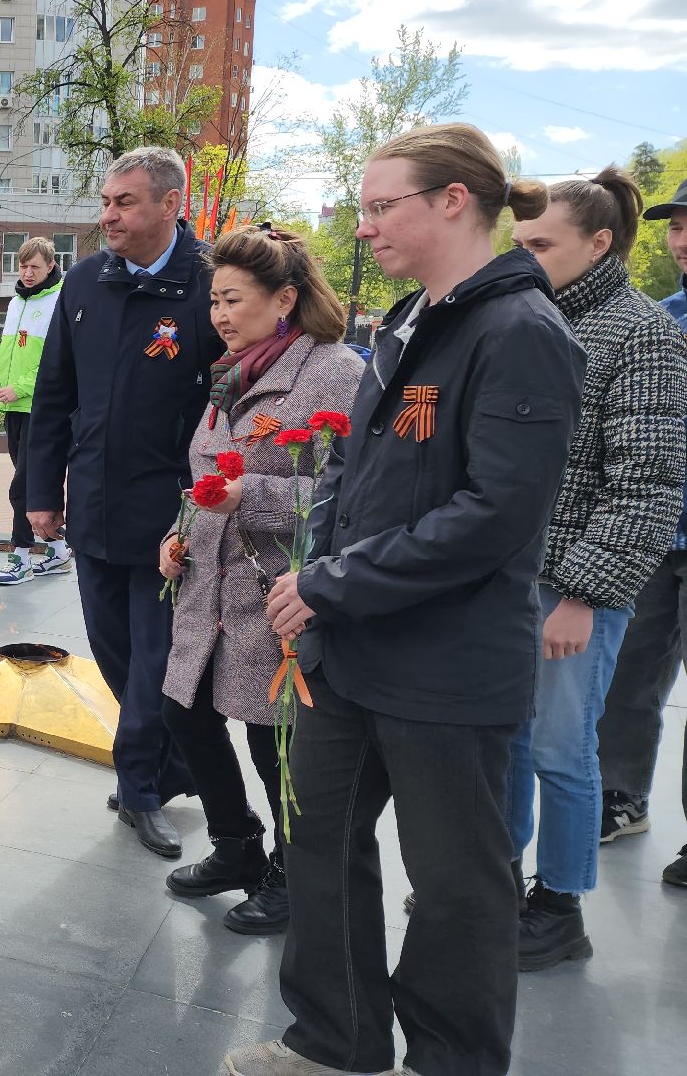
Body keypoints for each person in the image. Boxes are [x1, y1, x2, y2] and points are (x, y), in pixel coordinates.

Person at [224, 123, 583, 1076]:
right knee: (320, 847)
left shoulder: (519, 332)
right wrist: (317, 579)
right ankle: (336, 1041)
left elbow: (493, 516)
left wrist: (334, 583)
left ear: (453, 202)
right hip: (353, 654)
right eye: (365, 208)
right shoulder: (408, 320)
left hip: (449, 671)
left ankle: (452, 1059)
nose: (366, 225)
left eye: (383, 206)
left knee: (458, 887)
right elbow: (353, 467)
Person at [157, 226, 363, 937]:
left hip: (276, 592)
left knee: (272, 738)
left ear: (285, 299)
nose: (220, 315)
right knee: (185, 712)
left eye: (234, 299)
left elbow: (344, 492)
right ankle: (236, 846)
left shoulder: (333, 372)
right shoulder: (230, 373)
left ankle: (291, 872)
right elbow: (204, 477)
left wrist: (250, 498)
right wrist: (176, 535)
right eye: (214, 299)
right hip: (208, 586)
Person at [507, 167, 687, 962]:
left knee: (560, 743)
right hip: (509, 578)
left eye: (541, 244)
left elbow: (646, 482)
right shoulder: (527, 317)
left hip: (575, 584)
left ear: (599, 242)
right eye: (518, 243)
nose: (524, 257)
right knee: (509, 736)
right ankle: (498, 878)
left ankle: (560, 906)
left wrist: (580, 593)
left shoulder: (643, 331)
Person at [25, 146, 223, 858]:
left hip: (175, 516)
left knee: (154, 657)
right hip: (96, 507)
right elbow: (54, 397)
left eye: (124, 202)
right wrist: (43, 494)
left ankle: (138, 785)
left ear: (172, 204)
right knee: (113, 652)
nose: (107, 214)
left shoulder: (210, 285)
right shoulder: (83, 283)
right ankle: (168, 764)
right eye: (106, 201)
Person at [597, 175, 687, 890]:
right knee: (632, 673)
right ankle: (620, 794)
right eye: (677, 225)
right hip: (659, 530)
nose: (682, 240)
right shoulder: (665, 318)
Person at [0, 237, 72, 586]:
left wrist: (22, 387)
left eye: (34, 267)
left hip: (39, 409)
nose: (27, 272)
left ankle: (20, 556)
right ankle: (59, 550)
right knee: (30, 483)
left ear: (50, 267)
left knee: (21, 488)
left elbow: (55, 361)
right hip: (14, 408)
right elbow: (14, 353)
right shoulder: (18, 303)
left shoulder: (57, 302)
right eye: (23, 266)